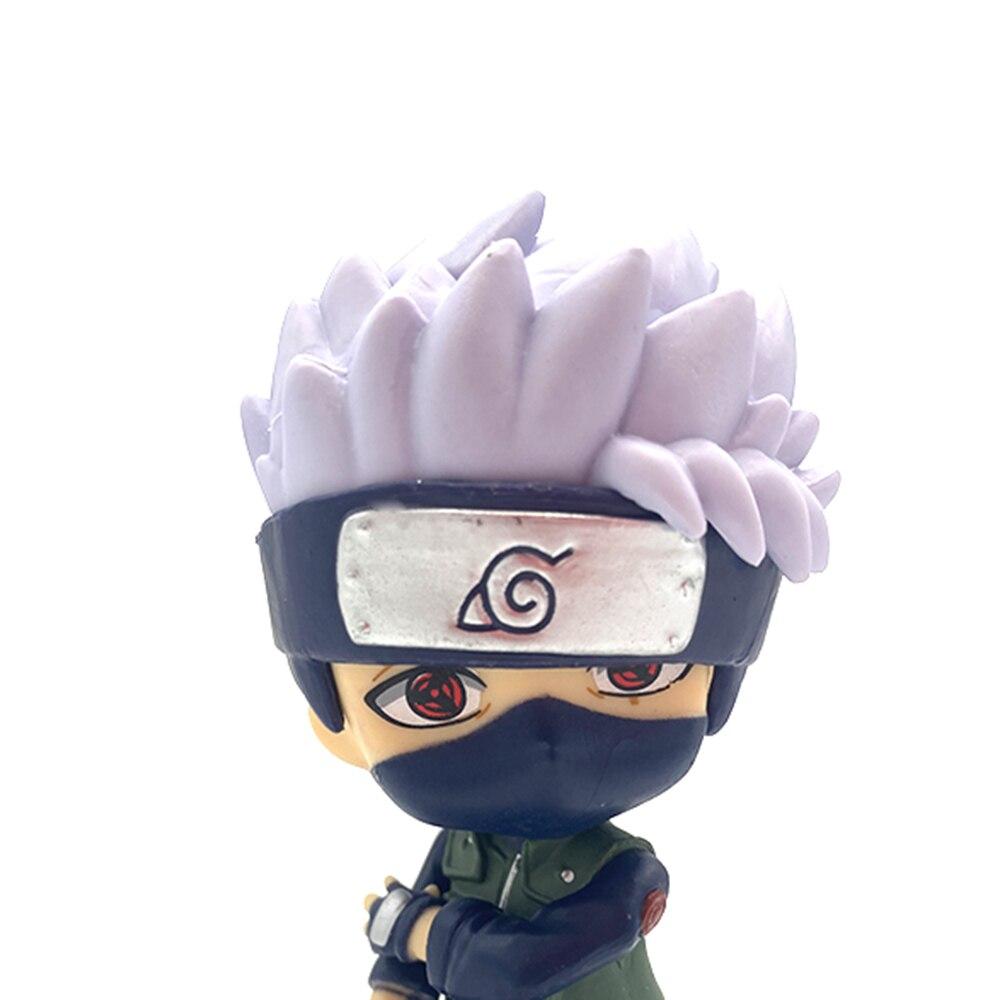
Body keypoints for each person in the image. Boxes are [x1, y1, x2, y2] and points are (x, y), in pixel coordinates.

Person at [243, 193, 838, 1000]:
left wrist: (414, 928)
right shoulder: (463, 844)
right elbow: (412, 965)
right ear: (332, 716)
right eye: (435, 692)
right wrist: (401, 968)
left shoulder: (622, 871)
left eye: (631, 675)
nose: (544, 739)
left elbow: (515, 968)